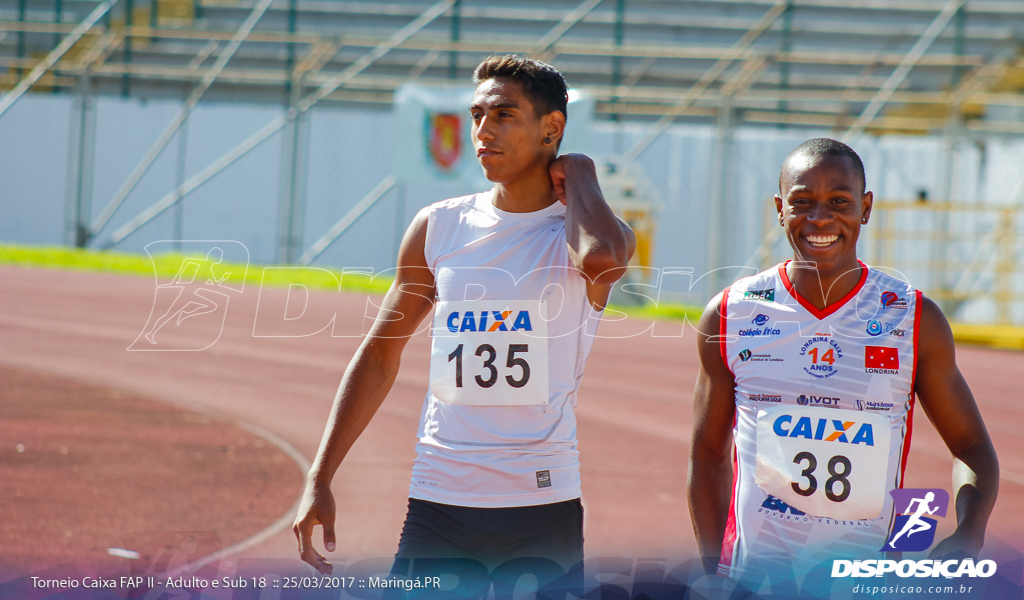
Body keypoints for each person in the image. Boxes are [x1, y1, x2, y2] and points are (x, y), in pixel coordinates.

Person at [293, 55, 635, 590]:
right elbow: (381, 353)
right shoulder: (440, 225)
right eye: (477, 115)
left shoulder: (582, 233)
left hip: (540, 501)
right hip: (439, 496)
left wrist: (583, 172)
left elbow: (603, 262)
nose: (482, 131)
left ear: (552, 128)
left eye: (503, 115)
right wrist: (321, 473)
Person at [688, 138, 999, 585]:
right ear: (780, 208)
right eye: (802, 202)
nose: (820, 218)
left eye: (839, 201)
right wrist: (711, 572)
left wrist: (969, 531)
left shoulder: (913, 318)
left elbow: (972, 448)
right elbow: (707, 453)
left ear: (865, 207)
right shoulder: (732, 312)